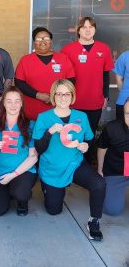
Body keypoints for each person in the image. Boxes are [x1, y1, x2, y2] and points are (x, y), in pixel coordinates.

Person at [33, 79, 106, 241]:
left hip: (75, 164)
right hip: (53, 168)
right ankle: (54, 190)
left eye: (67, 93)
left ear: (72, 96)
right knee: (53, 210)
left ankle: (94, 221)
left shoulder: (81, 116)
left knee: (99, 184)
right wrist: (49, 132)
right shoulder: (44, 118)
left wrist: (86, 147)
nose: (63, 97)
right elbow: (39, 148)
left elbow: (89, 139)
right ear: (53, 96)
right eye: (59, 93)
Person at [61, 17, 114, 164]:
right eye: (84, 27)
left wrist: (106, 96)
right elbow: (63, 77)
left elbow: (106, 75)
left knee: (89, 135)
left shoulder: (103, 49)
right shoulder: (68, 50)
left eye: (91, 27)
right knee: (72, 134)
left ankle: (85, 164)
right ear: (78, 30)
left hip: (95, 101)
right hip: (74, 102)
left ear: (95, 29)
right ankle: (70, 164)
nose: (88, 29)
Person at [0, 86, 38, 217]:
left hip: (22, 171)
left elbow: (33, 157)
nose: (13, 105)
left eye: (16, 101)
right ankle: (8, 192)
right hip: (0, 172)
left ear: (21, 103)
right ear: (3, 103)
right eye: (9, 101)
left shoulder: (30, 125)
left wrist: (13, 175)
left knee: (20, 192)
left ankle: (22, 201)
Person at [15, 27, 75, 121]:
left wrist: (54, 96)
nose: (43, 41)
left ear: (51, 41)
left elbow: (70, 82)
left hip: (58, 114)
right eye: (39, 39)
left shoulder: (63, 58)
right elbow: (19, 83)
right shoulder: (25, 60)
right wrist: (38, 95)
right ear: (34, 42)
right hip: (31, 115)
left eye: (46, 38)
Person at [97, 98, 129, 216]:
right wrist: (100, 169)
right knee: (112, 210)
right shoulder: (112, 128)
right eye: (128, 113)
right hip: (116, 172)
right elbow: (102, 147)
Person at [113, 50, 129, 120]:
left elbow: (119, 80)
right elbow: (119, 80)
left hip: (124, 99)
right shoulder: (125, 56)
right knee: (121, 129)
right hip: (124, 101)